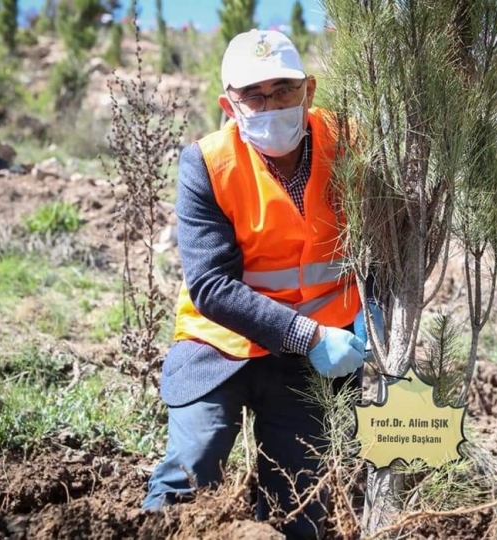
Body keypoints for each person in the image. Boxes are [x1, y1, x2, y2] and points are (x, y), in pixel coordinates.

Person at [142, 29, 382, 539]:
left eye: (283, 90)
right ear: (228, 104)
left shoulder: (353, 145)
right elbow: (210, 286)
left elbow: (391, 237)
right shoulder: (207, 163)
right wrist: (309, 336)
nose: (269, 104)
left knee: (298, 505)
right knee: (191, 469)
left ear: (309, 90)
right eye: (253, 94)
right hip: (222, 346)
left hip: (316, 358)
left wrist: (375, 303)